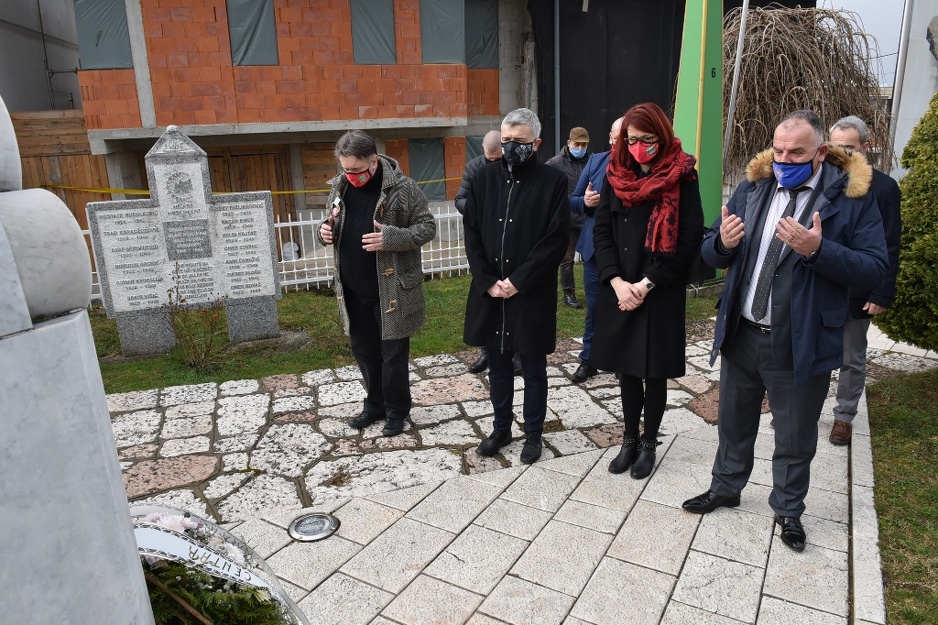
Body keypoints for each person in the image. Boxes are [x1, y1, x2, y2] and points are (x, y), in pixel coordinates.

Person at [682, 110, 888, 553]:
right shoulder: (752, 188)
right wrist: (723, 244)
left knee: (794, 434)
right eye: (778, 150)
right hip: (743, 331)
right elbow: (710, 249)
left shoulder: (851, 198)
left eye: (796, 152)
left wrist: (819, 250)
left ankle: (789, 509)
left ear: (820, 152)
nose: (784, 159)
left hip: (800, 339)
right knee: (733, 422)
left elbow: (874, 266)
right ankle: (726, 485)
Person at [588, 103, 703, 479]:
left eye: (646, 140)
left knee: (653, 372)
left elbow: (686, 239)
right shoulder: (615, 173)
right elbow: (602, 230)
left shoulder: (683, 175)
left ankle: (649, 443)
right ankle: (628, 440)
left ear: (662, 137)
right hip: (621, 287)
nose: (638, 147)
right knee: (626, 371)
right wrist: (617, 282)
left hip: (658, 288)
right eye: (631, 140)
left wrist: (646, 283)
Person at [462, 108, 571, 464]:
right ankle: (501, 427)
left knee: (534, 367)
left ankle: (534, 433)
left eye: (519, 142)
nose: (510, 147)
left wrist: (519, 281)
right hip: (492, 290)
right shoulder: (483, 178)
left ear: (536, 143)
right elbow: (473, 234)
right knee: (498, 365)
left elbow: (555, 240)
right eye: (506, 140)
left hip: (531, 292)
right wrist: (489, 280)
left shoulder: (552, 182)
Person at [317, 130, 436, 437]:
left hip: (392, 292)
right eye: (345, 169)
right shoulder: (340, 187)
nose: (350, 176)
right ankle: (374, 406)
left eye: (356, 170)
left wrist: (392, 237)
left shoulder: (404, 189)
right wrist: (323, 233)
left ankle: (397, 411)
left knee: (393, 355)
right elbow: (329, 220)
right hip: (353, 291)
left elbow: (427, 228)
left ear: (373, 160)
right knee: (365, 352)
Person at [827, 116, 901, 446]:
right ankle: (801, 409)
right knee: (806, 348)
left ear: (865, 147)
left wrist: (882, 291)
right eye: (834, 146)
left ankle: (844, 416)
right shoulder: (821, 179)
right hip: (820, 284)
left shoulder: (884, 188)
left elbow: (890, 243)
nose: (840, 153)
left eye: (848, 147)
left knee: (851, 357)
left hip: (858, 288)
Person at [454, 130, 521, 377]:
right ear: (483, 150)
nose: (493, 162)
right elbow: (459, 198)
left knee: (513, 295)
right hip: (485, 239)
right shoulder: (473, 168)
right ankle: (486, 349)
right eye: (489, 157)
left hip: (511, 239)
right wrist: (477, 208)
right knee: (487, 296)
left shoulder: (513, 166)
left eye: (497, 158)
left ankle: (516, 352)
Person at [569, 117, 624, 383]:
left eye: (624, 137)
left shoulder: (644, 167)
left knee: (625, 307)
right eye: (615, 136)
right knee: (595, 308)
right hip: (594, 252)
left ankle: (621, 359)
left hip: (626, 252)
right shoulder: (596, 161)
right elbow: (573, 199)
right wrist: (587, 202)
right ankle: (589, 359)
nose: (617, 142)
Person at [547, 126, 592, 308]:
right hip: (568, 218)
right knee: (567, 258)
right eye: (577, 144)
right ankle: (569, 293)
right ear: (569, 143)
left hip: (589, 217)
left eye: (584, 145)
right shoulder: (555, 164)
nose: (580, 148)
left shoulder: (593, 160)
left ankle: (595, 289)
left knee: (594, 256)